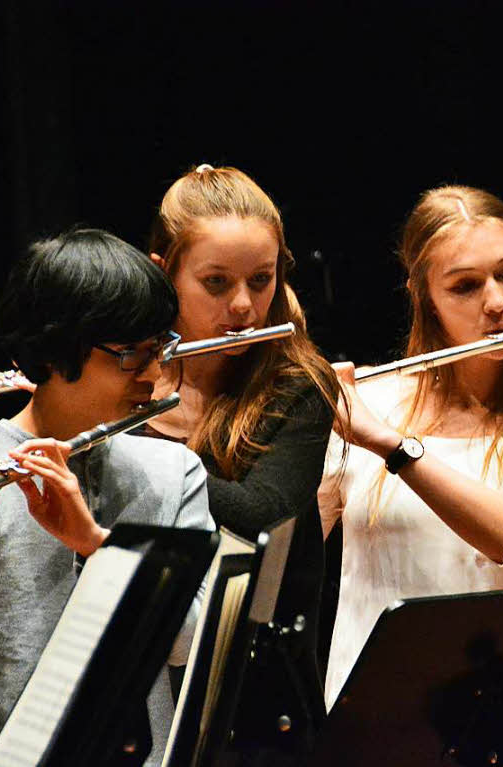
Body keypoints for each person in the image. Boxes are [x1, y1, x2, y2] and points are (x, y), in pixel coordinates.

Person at [319, 185, 503, 709]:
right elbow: (289, 552)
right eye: (465, 286)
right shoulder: (366, 406)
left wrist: (390, 446)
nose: (499, 303)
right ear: (423, 297)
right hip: (370, 714)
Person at [0, 229, 214, 767]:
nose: (154, 373)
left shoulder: (174, 472)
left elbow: (190, 646)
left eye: (159, 347)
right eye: (129, 355)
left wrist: (99, 547)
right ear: (56, 347)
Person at [144, 164, 341, 760]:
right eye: (215, 282)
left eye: (262, 279)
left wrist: (119, 454)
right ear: (162, 276)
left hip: (260, 705)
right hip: (142, 685)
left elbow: (260, 512)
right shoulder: (115, 384)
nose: (244, 305)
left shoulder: (298, 385)